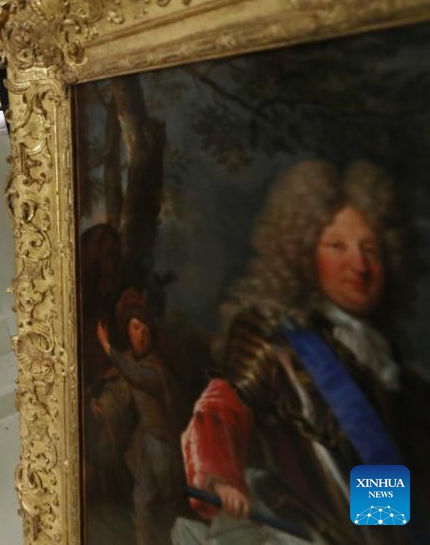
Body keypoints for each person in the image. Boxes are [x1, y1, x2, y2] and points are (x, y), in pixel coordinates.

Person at [181, 160, 429, 545]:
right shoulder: (275, 341)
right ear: (302, 253)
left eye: (371, 249)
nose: (359, 264)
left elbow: (383, 474)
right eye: (336, 246)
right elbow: (223, 406)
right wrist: (219, 477)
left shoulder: (385, 360)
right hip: (305, 531)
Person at [94, 289, 185, 545]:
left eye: (146, 330)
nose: (141, 335)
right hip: (143, 442)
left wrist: (106, 346)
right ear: (128, 332)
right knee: (142, 500)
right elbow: (118, 388)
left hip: (161, 444)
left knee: (167, 505)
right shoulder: (128, 361)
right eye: (136, 328)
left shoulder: (155, 370)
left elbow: (136, 377)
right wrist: (101, 404)